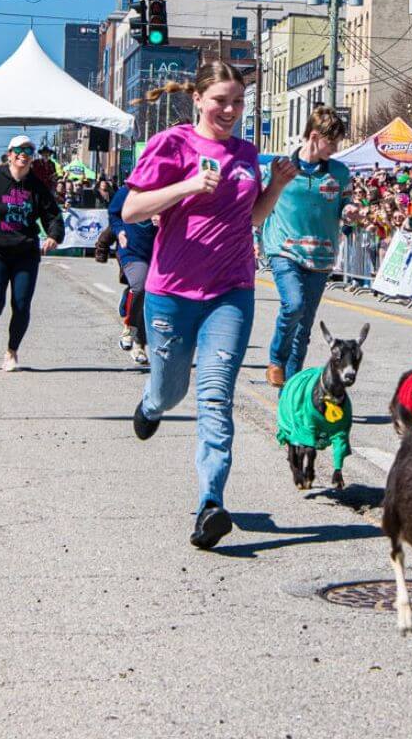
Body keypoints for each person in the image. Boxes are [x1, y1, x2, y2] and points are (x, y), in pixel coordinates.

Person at [123, 61, 297, 550]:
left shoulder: (247, 152)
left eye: (238, 102)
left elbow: (251, 216)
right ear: (198, 99)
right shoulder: (172, 145)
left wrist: (277, 185)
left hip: (231, 290)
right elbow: (132, 209)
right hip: (173, 291)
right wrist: (186, 187)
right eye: (221, 100)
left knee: (217, 395)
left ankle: (210, 504)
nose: (230, 110)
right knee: (172, 390)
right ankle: (152, 405)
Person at [262, 107, 350, 387]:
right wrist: (254, 238)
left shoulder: (339, 172)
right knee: (294, 303)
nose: (335, 149)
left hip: (321, 255)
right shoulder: (281, 167)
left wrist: (351, 212)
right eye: (332, 142)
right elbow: (262, 202)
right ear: (314, 136)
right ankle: (276, 358)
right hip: (284, 249)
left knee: (303, 329)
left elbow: (346, 204)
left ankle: (289, 390)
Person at [0, 135, 64, 371]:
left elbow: (52, 215)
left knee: (22, 303)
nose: (23, 154)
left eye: (28, 150)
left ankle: (11, 352)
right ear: (9, 153)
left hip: (25, 253)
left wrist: (53, 235)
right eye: (18, 150)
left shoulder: (37, 187)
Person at [108, 183, 157, 365]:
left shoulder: (165, 190)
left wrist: (164, 220)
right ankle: (129, 328)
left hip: (157, 253)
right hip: (131, 251)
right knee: (140, 285)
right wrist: (119, 231)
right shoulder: (127, 191)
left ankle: (139, 346)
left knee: (149, 297)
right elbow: (113, 214)